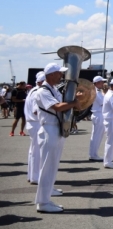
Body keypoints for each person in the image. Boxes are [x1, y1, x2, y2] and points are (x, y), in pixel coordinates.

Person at [34, 63, 83, 213]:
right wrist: (74, 102)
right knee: (47, 168)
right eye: (58, 73)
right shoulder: (43, 91)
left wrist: (74, 102)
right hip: (49, 128)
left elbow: (63, 106)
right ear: (50, 75)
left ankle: (46, 199)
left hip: (56, 128)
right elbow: (57, 107)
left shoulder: (52, 89)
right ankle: (42, 202)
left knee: (52, 167)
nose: (61, 76)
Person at [25, 72, 46, 184]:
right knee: (37, 152)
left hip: (32, 123)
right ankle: (35, 177)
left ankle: (31, 175)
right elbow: (36, 110)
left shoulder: (32, 91)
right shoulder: (38, 92)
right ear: (40, 82)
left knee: (33, 151)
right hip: (36, 122)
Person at [89, 76, 106, 161]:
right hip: (98, 114)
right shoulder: (95, 92)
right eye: (101, 82)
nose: (103, 83)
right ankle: (94, 155)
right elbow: (103, 103)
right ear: (97, 83)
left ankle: (93, 153)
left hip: (99, 114)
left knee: (96, 136)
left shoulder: (99, 91)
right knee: (97, 136)